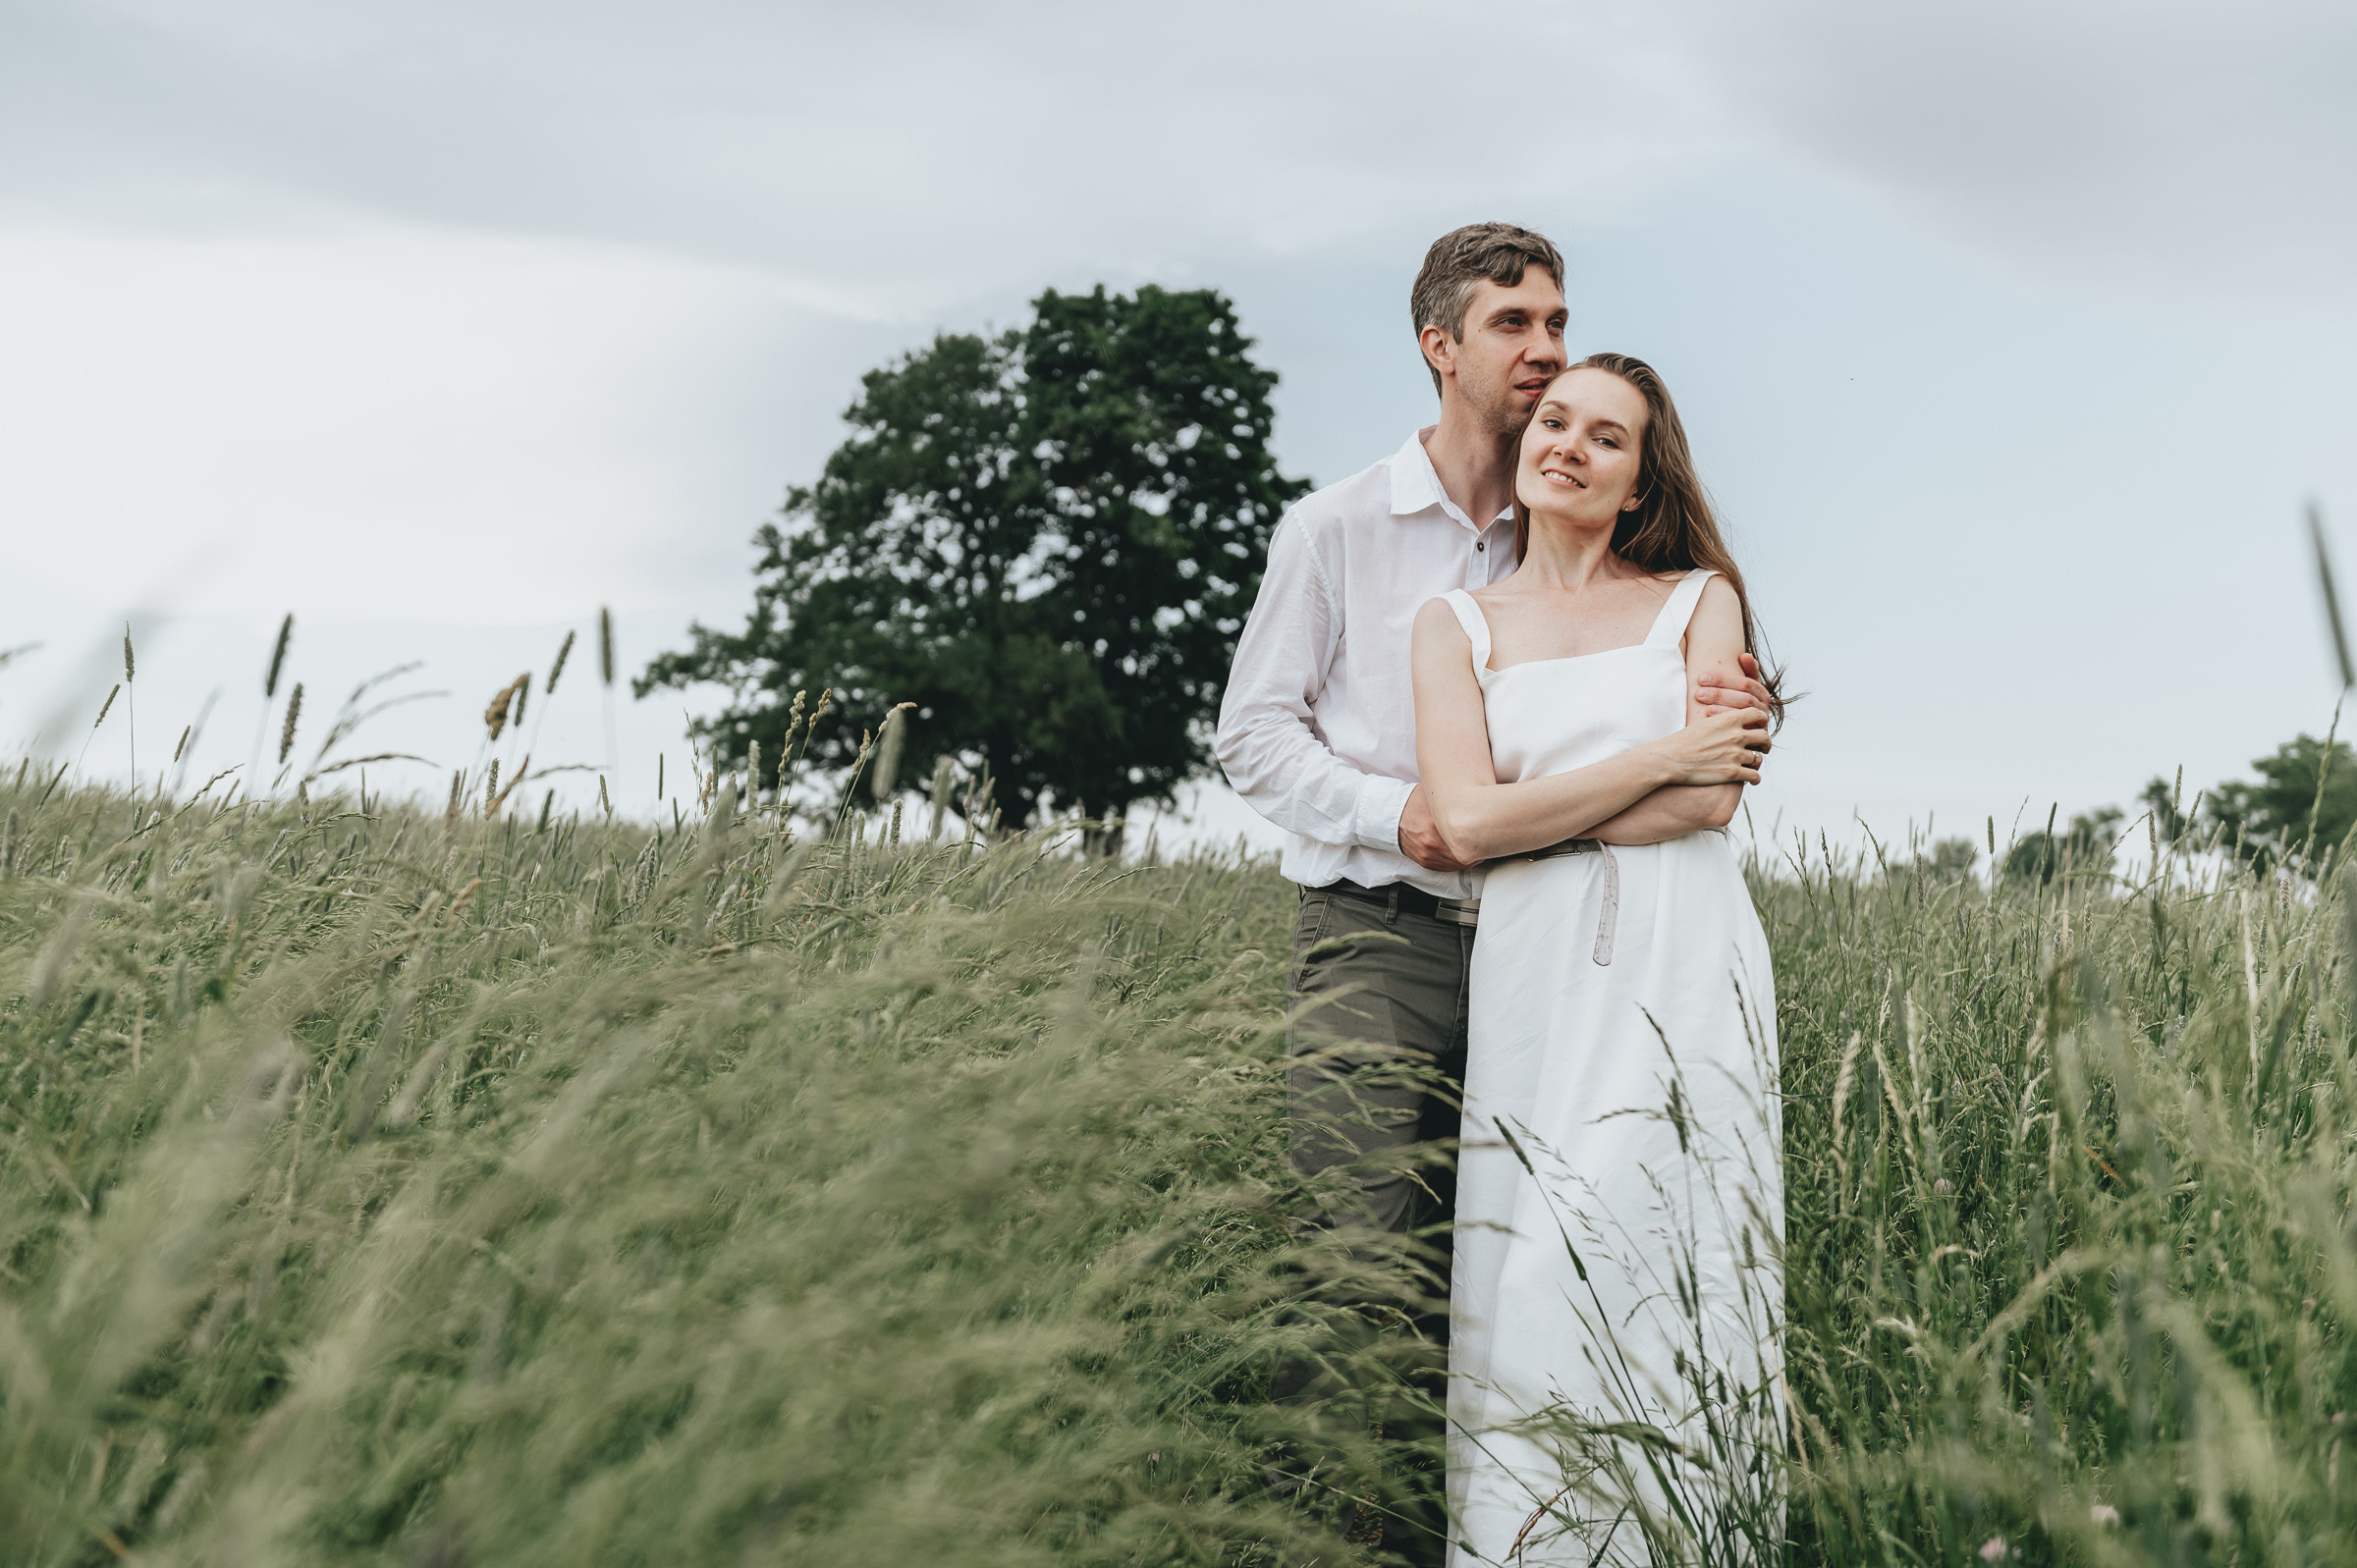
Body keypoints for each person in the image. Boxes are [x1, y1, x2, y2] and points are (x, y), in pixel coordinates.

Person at [1215, 226, 1777, 1563]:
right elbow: (1253, 734)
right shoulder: (1341, 528)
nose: (1544, 351)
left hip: (1571, 949)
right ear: (1441, 347)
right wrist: (1400, 815)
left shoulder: (1624, 552)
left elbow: (1712, 777)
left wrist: (1692, 758)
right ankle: (1365, 1541)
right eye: (1515, 326)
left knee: (1542, 1253)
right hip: (1388, 932)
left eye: (1558, 323)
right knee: (1366, 1265)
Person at [1410, 352, 1784, 1565]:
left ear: (1637, 481)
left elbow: (1714, 804)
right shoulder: (1454, 622)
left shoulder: (1696, 600)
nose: (1567, 443)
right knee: (1533, 1251)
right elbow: (1462, 827)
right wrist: (1658, 758)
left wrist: (1545, 810)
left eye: (1605, 437)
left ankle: (1690, 1537)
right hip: (1533, 969)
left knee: (1676, 1238)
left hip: (1687, 953)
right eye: (1554, 420)